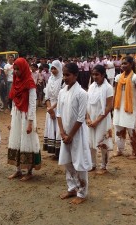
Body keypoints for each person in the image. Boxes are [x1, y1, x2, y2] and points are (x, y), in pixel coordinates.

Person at [57, 63, 91, 205]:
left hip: (77, 134)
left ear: (75, 75)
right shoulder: (62, 92)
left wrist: (70, 135)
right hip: (65, 133)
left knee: (79, 163)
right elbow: (58, 113)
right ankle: (71, 187)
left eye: (67, 75)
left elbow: (80, 117)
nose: (65, 78)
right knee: (68, 162)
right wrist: (62, 132)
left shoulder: (82, 93)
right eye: (63, 75)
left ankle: (82, 192)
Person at [7, 58, 41, 181]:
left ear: (24, 69)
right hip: (17, 115)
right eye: (14, 69)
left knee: (28, 141)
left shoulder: (30, 83)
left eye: (18, 69)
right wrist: (12, 119)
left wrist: (30, 123)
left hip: (27, 116)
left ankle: (29, 171)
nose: (16, 72)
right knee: (16, 139)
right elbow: (14, 102)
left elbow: (32, 104)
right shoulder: (15, 82)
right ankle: (18, 170)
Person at [113, 56, 136, 159]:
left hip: (130, 108)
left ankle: (135, 152)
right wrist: (113, 107)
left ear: (131, 64)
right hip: (118, 107)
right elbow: (115, 92)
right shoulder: (117, 77)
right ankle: (119, 150)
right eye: (122, 64)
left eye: (125, 63)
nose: (123, 65)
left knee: (131, 129)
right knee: (118, 128)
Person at [86, 65, 114, 174]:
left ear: (103, 75)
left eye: (97, 74)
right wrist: (88, 118)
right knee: (90, 142)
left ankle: (104, 166)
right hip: (91, 118)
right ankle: (92, 164)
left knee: (103, 143)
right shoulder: (91, 86)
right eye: (93, 74)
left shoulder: (108, 88)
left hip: (102, 119)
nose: (94, 77)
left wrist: (97, 121)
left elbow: (108, 107)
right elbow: (87, 103)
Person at [43, 60, 63, 159]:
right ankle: (54, 152)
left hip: (59, 108)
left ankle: (60, 152)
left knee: (59, 129)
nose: (53, 70)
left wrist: (53, 108)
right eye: (52, 68)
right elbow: (46, 95)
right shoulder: (50, 80)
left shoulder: (62, 80)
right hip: (50, 107)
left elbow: (62, 97)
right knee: (52, 129)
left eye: (55, 68)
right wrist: (50, 109)